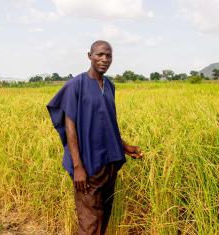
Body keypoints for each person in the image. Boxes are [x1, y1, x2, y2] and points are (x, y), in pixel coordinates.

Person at [46, 40, 143, 235]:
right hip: (87, 165)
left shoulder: (109, 86)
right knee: (89, 223)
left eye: (108, 55)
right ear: (89, 56)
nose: (104, 59)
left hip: (109, 162)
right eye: (99, 54)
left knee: (103, 217)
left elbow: (106, 123)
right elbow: (70, 127)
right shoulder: (76, 85)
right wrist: (77, 166)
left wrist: (124, 146)